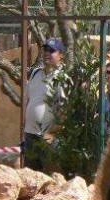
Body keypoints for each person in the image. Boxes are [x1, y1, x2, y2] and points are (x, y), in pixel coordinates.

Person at [23, 37, 70, 171]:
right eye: (45, 50)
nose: (47, 53)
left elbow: (64, 111)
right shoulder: (35, 73)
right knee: (31, 180)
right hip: (30, 134)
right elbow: (29, 100)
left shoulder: (62, 78)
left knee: (50, 179)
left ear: (61, 55)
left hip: (46, 138)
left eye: (51, 50)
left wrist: (51, 133)